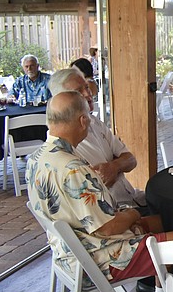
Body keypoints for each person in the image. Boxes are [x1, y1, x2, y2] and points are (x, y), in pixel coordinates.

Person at [26, 91, 173, 292]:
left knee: (167, 220)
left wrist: (130, 219)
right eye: (88, 117)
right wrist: (133, 214)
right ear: (83, 121)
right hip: (102, 259)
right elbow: (108, 228)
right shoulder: (73, 168)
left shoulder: (37, 159)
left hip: (70, 254)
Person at [49, 68, 145, 209]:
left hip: (134, 198)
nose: (88, 94)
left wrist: (114, 166)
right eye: (78, 91)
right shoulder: (63, 144)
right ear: (62, 101)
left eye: (87, 87)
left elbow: (131, 160)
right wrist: (118, 163)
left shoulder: (94, 122)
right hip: (117, 211)